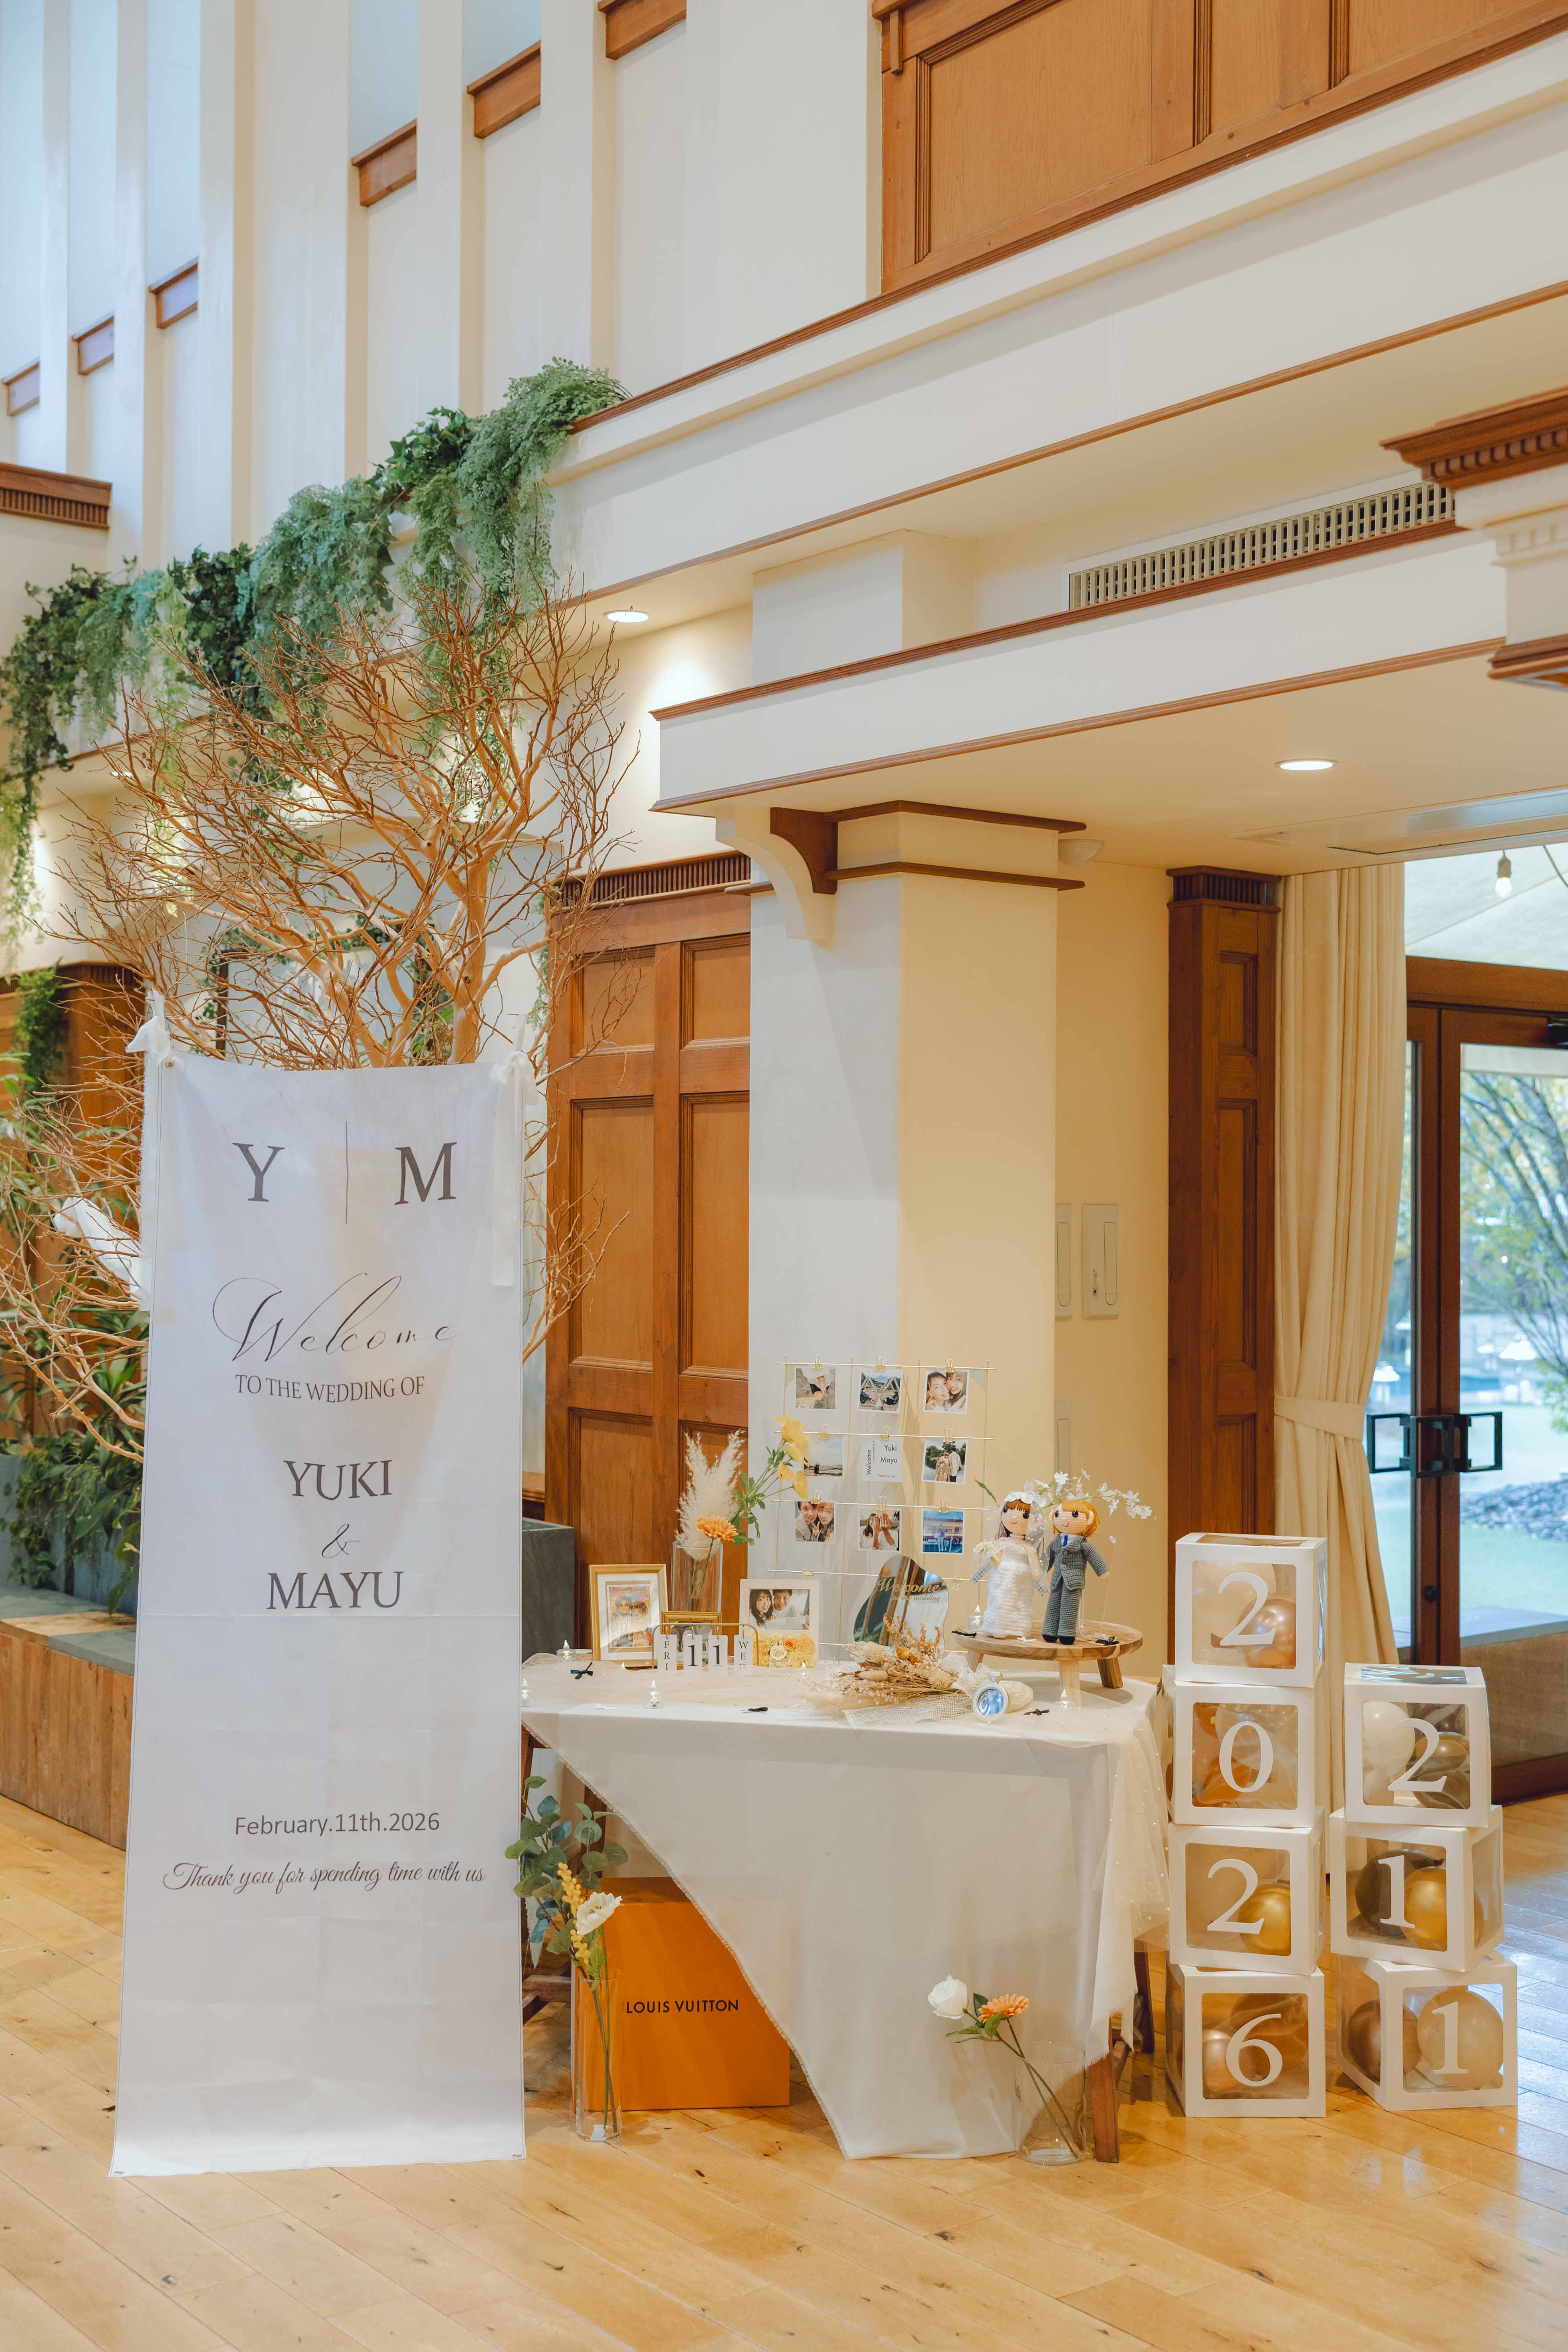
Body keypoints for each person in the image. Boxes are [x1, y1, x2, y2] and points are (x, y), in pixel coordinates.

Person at [1042, 1498, 1110, 1641]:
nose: (1065, 1520)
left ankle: (1067, 1633)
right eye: (1059, 1514)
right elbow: (1048, 1559)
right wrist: (1040, 1570)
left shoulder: (1083, 1544)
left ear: (1088, 1520)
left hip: (1074, 1582)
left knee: (1070, 1606)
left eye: (1074, 1515)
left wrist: (1102, 1570)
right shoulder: (1056, 1542)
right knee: (1053, 1604)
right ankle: (1050, 1630)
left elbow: (1094, 1557)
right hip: (1057, 1580)